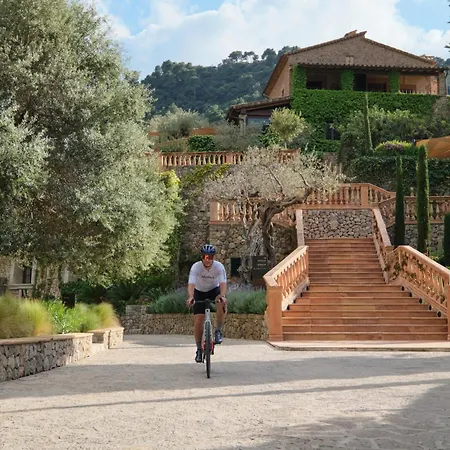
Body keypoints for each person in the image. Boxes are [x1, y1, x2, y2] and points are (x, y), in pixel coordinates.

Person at [186, 244, 228, 363]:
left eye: (210, 257)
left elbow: (223, 284)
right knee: (198, 320)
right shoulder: (196, 267)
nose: (207, 259)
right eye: (205, 257)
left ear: (213, 257)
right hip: (199, 291)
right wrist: (191, 297)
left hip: (214, 290)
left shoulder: (219, 267)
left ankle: (218, 330)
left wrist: (222, 296)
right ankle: (199, 349)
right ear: (202, 257)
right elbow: (191, 284)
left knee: (221, 302)